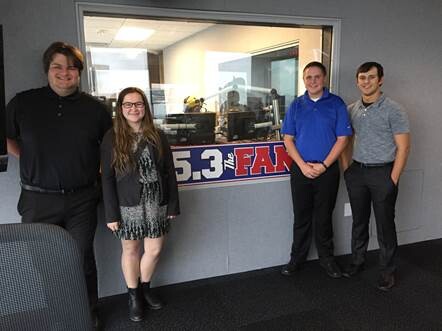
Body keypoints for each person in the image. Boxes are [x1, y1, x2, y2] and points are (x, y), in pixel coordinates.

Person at [5, 41, 113, 327]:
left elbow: (110, 148)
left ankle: (86, 314)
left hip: (82, 200)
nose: (64, 73)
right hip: (37, 200)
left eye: (71, 67)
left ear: (79, 72)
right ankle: (56, 313)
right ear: (47, 70)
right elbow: (7, 136)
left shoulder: (96, 110)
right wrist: (27, 157)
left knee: (81, 260)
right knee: (43, 262)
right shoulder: (23, 103)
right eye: (57, 67)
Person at [100, 87, 180, 322]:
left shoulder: (157, 135)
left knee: (154, 250)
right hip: (127, 204)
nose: (134, 109)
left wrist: (173, 205)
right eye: (128, 104)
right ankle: (133, 296)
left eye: (138, 104)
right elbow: (106, 177)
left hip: (156, 201)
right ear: (121, 109)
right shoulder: (111, 137)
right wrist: (111, 213)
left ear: (145, 107)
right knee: (131, 250)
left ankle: (145, 288)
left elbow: (169, 172)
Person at [340, 62, 410, 291]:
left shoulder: (394, 109)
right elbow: (347, 142)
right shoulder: (352, 110)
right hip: (358, 172)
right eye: (362, 78)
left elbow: (403, 147)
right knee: (359, 222)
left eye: (371, 77)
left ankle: (387, 271)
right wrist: (347, 170)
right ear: (357, 81)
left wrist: (393, 179)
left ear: (380, 80)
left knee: (384, 225)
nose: (366, 82)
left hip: (383, 173)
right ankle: (357, 261)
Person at [280, 61, 352, 278]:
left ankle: (327, 260)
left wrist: (323, 165)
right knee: (301, 217)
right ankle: (296, 259)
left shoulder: (337, 104)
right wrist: (302, 165)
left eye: (317, 77)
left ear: (324, 79)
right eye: (308, 77)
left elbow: (343, 139)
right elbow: (288, 139)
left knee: (323, 217)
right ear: (304, 80)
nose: (312, 81)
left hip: (327, 170)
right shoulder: (296, 105)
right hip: (300, 169)